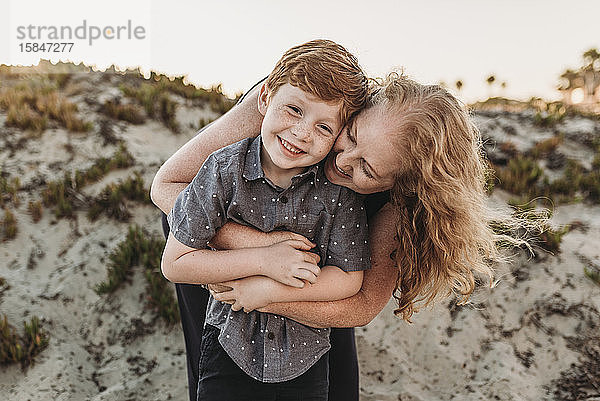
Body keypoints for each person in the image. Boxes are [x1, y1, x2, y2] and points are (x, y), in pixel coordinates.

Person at [152, 71, 501, 401]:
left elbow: (360, 303)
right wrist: (262, 250)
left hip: (324, 271)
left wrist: (266, 294)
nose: (343, 161)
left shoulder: (407, 203)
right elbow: (168, 185)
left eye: (367, 168)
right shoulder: (299, 100)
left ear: (402, 187)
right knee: (222, 368)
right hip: (207, 245)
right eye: (349, 136)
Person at [160, 39, 371, 401]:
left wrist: (272, 289)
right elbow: (175, 264)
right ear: (265, 99)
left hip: (307, 359)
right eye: (293, 109)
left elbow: (350, 280)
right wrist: (264, 259)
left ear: (339, 137)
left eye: (324, 128)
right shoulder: (222, 170)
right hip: (228, 348)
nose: (302, 133)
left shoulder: (339, 194)